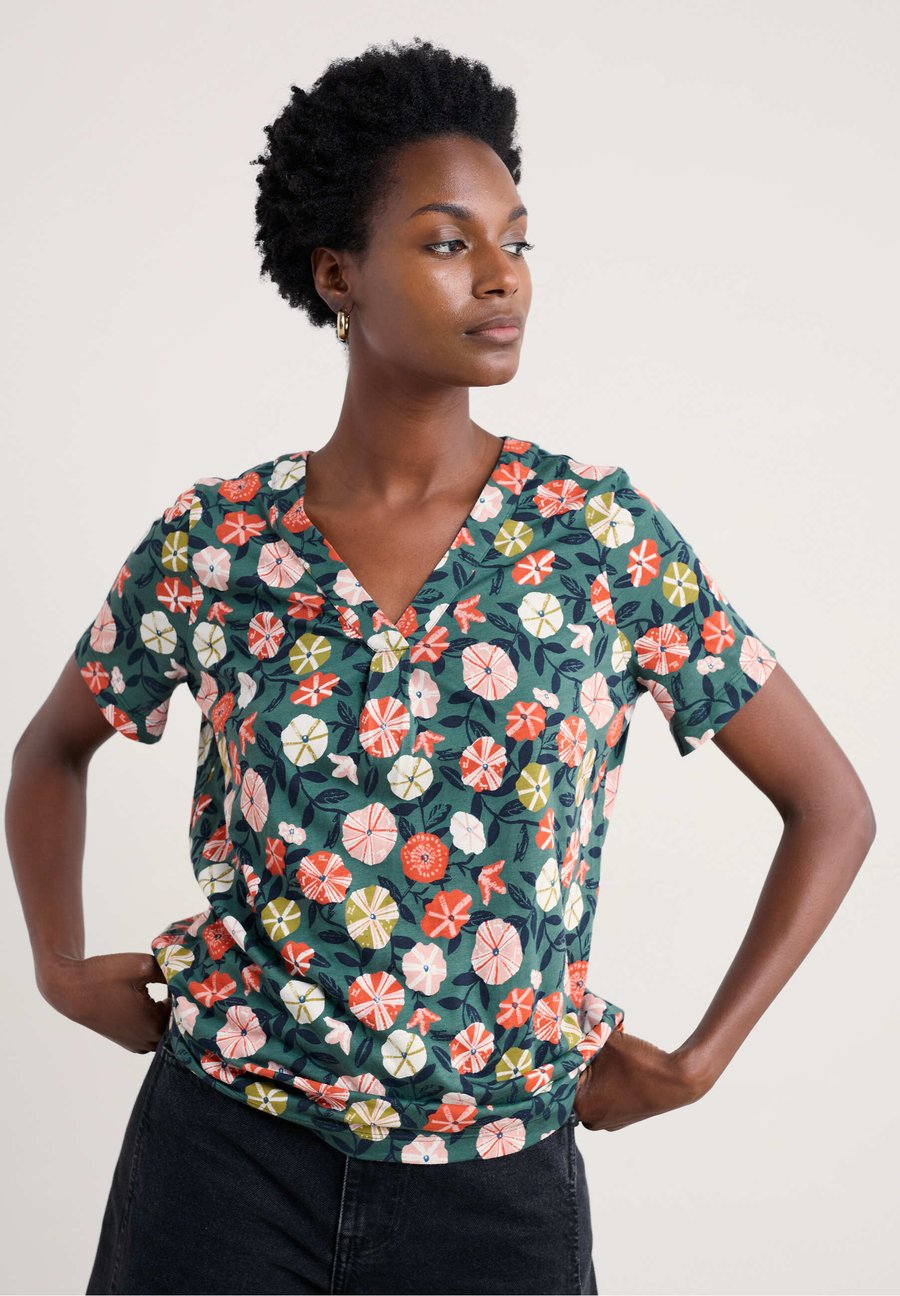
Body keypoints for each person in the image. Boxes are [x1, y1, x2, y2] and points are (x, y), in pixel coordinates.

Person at [7, 35, 876, 1296]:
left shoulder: (597, 539)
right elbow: (51, 750)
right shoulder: (218, 543)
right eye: (447, 242)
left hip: (499, 1191)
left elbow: (832, 805)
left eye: (515, 240)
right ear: (337, 272)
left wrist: (700, 1061)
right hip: (226, 1161)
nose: (501, 275)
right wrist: (54, 963)